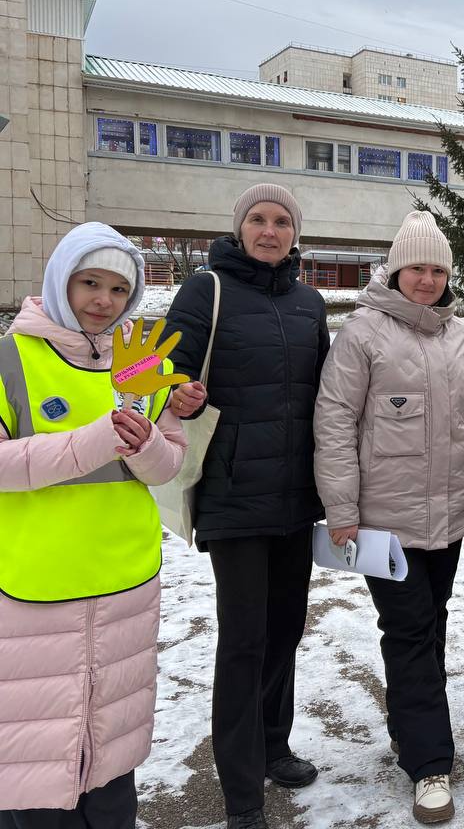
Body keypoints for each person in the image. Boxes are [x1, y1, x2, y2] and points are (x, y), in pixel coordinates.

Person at [0, 223, 195, 828]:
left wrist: (141, 447)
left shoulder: (141, 361)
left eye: (118, 288)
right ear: (61, 279)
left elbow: (168, 463)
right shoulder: (10, 358)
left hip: (125, 582)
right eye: (90, 282)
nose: (102, 300)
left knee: (110, 753)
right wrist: (94, 441)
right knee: (32, 757)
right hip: (34, 586)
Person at [314, 210, 464, 825]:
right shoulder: (362, 334)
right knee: (411, 629)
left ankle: (409, 730)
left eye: (438, 269)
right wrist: (342, 511)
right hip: (384, 522)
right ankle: (429, 764)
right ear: (395, 269)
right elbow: (334, 422)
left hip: (448, 517)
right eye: (417, 267)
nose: (427, 279)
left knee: (431, 624)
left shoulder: (459, 334)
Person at [165, 184, 329, 829]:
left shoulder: (310, 301)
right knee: (243, 640)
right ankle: (241, 795)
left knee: (285, 629)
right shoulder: (206, 290)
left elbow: (328, 393)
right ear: (239, 230)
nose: (269, 230)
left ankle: (272, 743)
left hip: (296, 493)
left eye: (281, 220)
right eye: (257, 220)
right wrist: (180, 394)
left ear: (294, 233)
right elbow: (159, 368)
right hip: (233, 495)